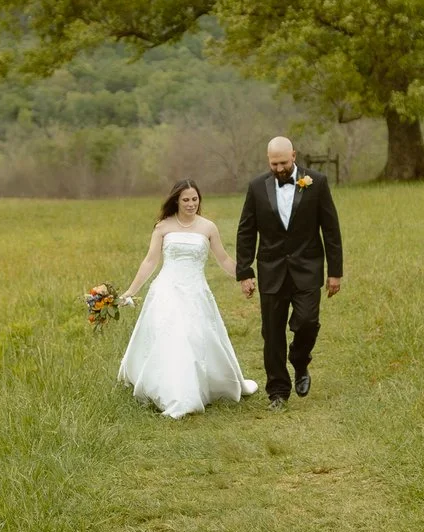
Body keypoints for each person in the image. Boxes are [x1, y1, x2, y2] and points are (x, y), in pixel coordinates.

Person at [116, 180, 258, 418]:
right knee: (171, 337)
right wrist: (131, 290)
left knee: (193, 337)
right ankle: (172, 391)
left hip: (195, 292)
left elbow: (223, 259)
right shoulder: (163, 227)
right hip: (167, 290)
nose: (191, 204)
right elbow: (150, 261)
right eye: (186, 200)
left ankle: (197, 388)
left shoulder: (208, 227)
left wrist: (245, 277)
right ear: (176, 201)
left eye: (195, 199)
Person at [235, 136, 343, 408]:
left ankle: (299, 359)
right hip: (271, 270)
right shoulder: (257, 187)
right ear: (267, 160)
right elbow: (246, 231)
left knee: (307, 321)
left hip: (308, 267)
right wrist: (245, 271)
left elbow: (330, 229)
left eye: (283, 162)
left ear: (294, 155)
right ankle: (278, 393)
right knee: (272, 333)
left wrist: (335, 272)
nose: (279, 168)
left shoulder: (316, 182)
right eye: (274, 163)